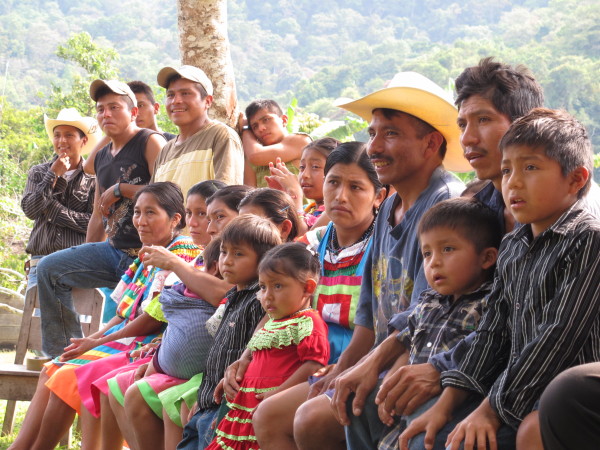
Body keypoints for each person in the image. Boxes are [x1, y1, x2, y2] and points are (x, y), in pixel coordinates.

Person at [399, 108, 600, 450]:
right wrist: (445, 407)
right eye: (507, 170)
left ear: (576, 179)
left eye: (531, 167)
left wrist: (489, 411)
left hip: (561, 402)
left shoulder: (587, 240)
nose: (514, 182)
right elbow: (492, 332)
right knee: (425, 436)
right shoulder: (513, 246)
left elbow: (555, 339)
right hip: (511, 391)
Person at [289, 72, 467, 450]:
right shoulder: (388, 207)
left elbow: (426, 319)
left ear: (430, 142)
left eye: (390, 134)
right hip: (384, 358)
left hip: (422, 362)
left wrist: (366, 373)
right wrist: (342, 368)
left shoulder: (446, 206)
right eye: (372, 133)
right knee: (305, 411)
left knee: (315, 419)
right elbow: (368, 318)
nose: (374, 147)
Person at [9, 182, 199, 450]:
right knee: (52, 368)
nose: (140, 221)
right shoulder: (145, 255)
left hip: (145, 342)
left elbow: (154, 320)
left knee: (69, 375)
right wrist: (94, 338)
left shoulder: (182, 254)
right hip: (124, 337)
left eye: (150, 213)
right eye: (137, 212)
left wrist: (95, 343)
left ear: (175, 219)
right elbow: (123, 312)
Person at [249, 141, 386, 448]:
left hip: (360, 359)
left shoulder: (384, 247)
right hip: (306, 357)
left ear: (379, 196)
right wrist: (244, 358)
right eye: (334, 182)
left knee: (270, 415)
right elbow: (277, 310)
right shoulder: (315, 243)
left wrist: (342, 366)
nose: (340, 195)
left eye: (356, 187)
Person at [36, 79, 166, 358]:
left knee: (132, 327)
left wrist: (123, 188)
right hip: (113, 251)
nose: (106, 114)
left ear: (133, 113)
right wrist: (87, 249)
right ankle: (64, 354)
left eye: (114, 108)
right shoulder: (104, 155)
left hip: (148, 258)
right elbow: (98, 212)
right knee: (49, 268)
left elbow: (168, 194)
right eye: (101, 109)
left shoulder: (150, 141)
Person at [363, 197, 501, 449]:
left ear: (487, 258)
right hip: (410, 396)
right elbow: (406, 345)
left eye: (447, 249)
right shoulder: (428, 302)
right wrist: (389, 387)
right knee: (362, 402)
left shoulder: (489, 303)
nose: (434, 262)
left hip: (453, 400)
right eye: (427, 253)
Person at [100, 237, 222, 450]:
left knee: (171, 403)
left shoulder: (238, 291)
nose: (209, 225)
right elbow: (170, 323)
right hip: (159, 359)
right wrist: (97, 340)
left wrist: (175, 263)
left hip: (205, 377)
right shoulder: (182, 285)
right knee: (115, 385)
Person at [206, 242, 330, 449]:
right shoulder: (272, 322)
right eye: (263, 287)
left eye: (278, 286)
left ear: (308, 288)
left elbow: (314, 367)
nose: (267, 296)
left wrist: (279, 393)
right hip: (246, 408)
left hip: (271, 409)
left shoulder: (308, 322)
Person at [177, 215, 283, 449]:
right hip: (208, 405)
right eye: (224, 252)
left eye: (238, 254)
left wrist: (221, 409)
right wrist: (203, 400)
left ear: (264, 261)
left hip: (228, 410)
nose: (227, 261)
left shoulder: (261, 301)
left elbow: (255, 357)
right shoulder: (234, 296)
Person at [21, 108, 101, 289]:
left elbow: (93, 222)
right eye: (57, 135)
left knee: (77, 318)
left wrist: (54, 210)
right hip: (40, 264)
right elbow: (30, 210)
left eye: (69, 135)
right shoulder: (39, 172)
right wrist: (53, 175)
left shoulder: (94, 178)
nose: (62, 140)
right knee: (39, 318)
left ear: (84, 140)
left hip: (77, 266)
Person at [153, 65, 244, 198]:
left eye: (185, 93)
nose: (176, 101)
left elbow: (228, 199)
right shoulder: (165, 151)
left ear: (207, 101)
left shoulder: (221, 136)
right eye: (171, 95)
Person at [83, 80, 177, 175]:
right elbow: (89, 168)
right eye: (100, 109)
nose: (106, 114)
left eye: (140, 105)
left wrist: (119, 189)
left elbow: (165, 187)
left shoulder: (170, 142)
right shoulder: (107, 151)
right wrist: (113, 128)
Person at [266, 137, 341, 231]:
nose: (305, 175)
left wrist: (295, 195)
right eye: (302, 167)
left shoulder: (335, 212)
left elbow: (302, 241)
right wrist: (284, 197)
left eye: (315, 167)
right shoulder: (306, 209)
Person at [241, 99, 312, 187]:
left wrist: (245, 128)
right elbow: (249, 191)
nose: (261, 128)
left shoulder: (300, 140)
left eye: (266, 120)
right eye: (255, 126)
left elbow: (255, 156)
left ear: (284, 120)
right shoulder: (252, 157)